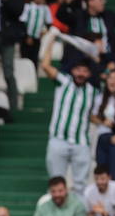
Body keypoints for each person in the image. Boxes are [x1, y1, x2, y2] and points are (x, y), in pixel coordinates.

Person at [39, 50, 97, 193]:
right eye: (78, 70)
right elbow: (45, 66)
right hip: (59, 138)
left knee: (80, 186)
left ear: (89, 74)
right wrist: (51, 39)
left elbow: (93, 115)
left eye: (85, 71)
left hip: (81, 142)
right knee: (55, 181)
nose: (81, 74)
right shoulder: (64, 81)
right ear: (72, 70)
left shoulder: (93, 91)